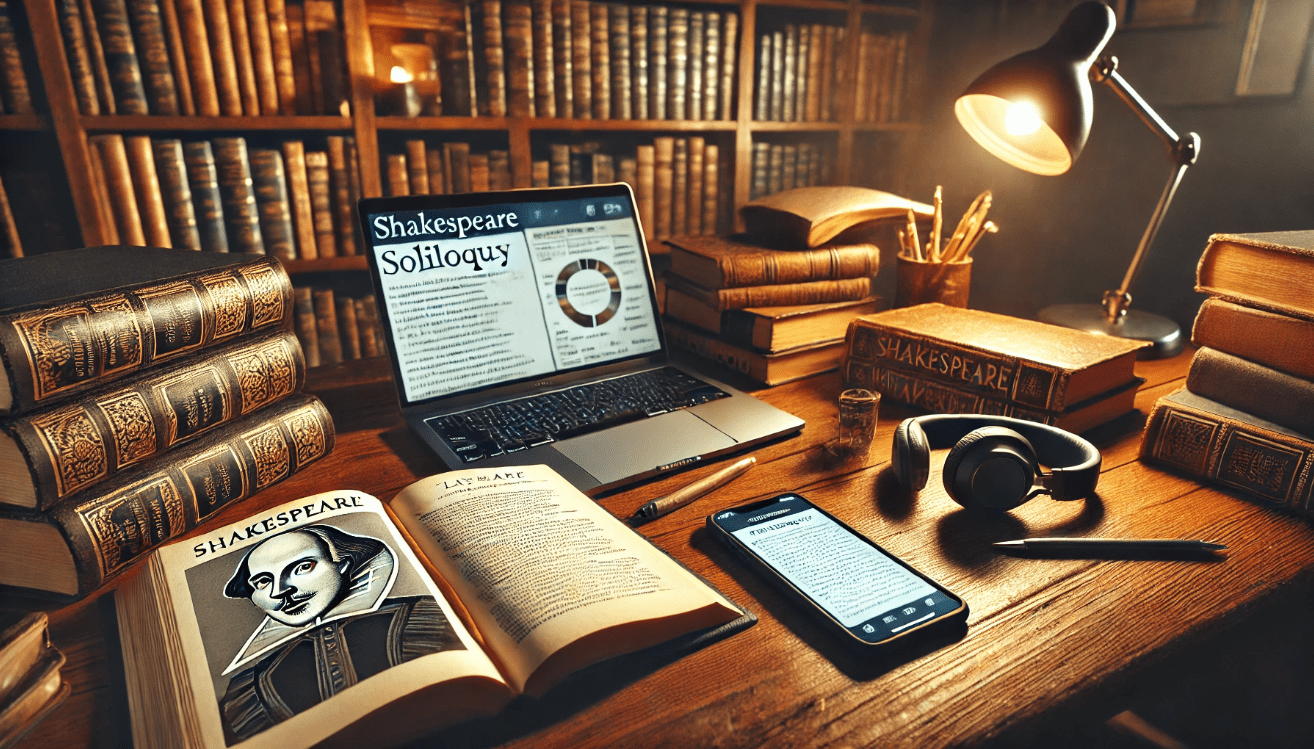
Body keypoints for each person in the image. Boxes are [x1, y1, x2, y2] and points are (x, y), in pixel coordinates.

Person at [217, 525, 461, 742]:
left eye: (303, 567)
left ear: (343, 564)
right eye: (263, 582)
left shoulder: (423, 616)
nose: (280, 591)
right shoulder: (249, 687)